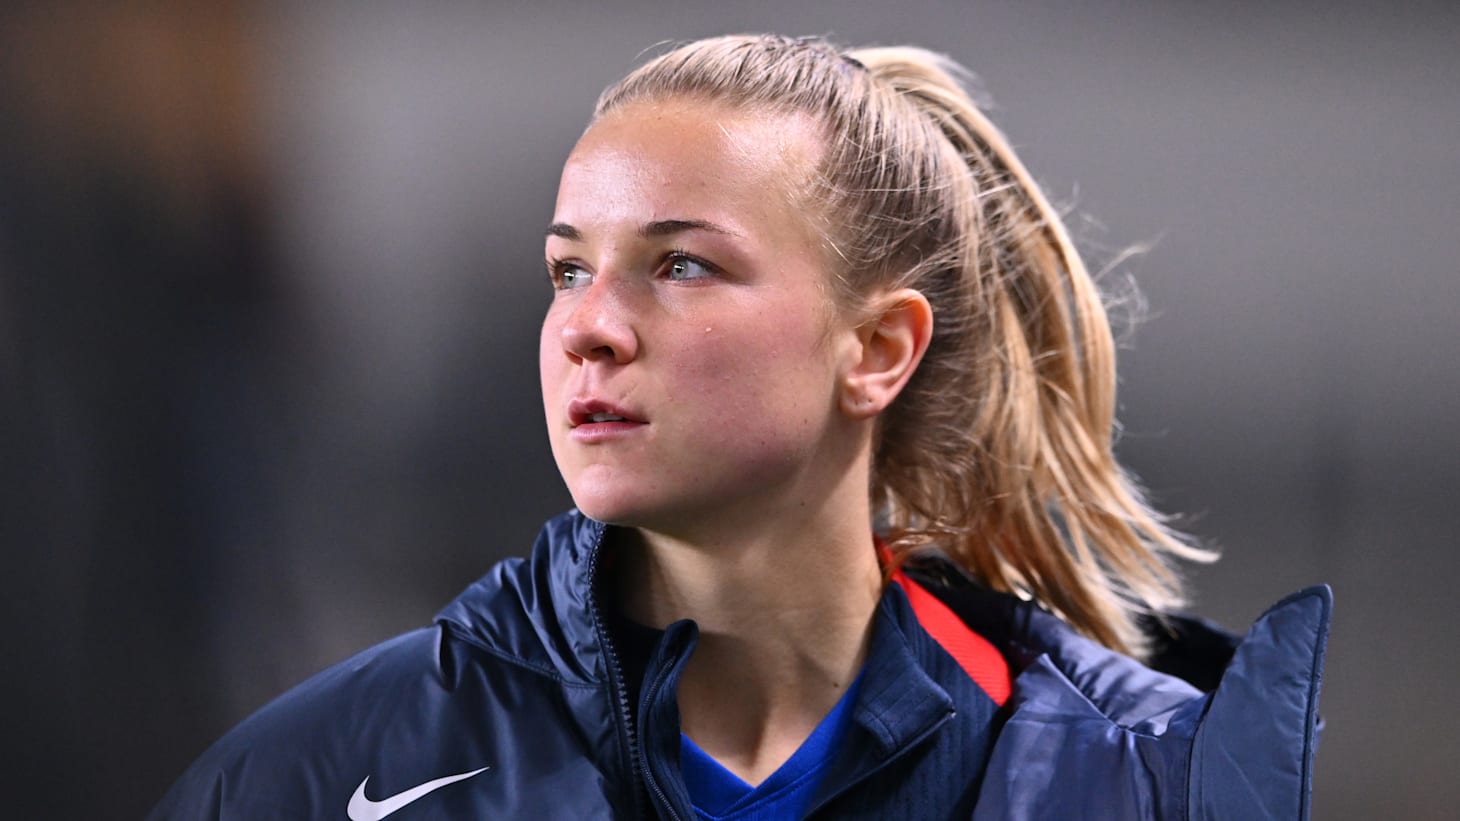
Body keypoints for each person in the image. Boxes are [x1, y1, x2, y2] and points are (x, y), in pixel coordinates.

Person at [150, 34, 1330, 820]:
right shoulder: (325, 774)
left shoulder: (1145, 778)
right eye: (568, 271)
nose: (589, 327)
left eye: (680, 265)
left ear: (876, 348)